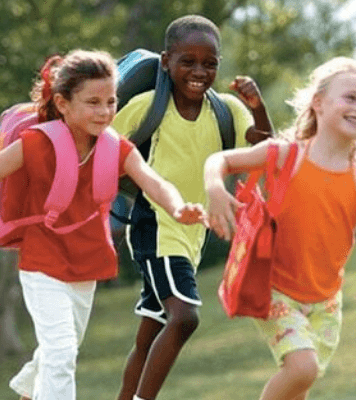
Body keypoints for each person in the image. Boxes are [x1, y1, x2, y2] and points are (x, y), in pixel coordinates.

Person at [0, 49, 207, 400]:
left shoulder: (115, 148)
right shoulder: (35, 144)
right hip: (42, 264)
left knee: (56, 351)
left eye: (110, 101)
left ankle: (30, 393)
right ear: (62, 104)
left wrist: (179, 207)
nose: (105, 112)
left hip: (87, 265)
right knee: (61, 354)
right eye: (93, 102)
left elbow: (155, 182)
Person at [204, 56, 356, 400]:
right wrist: (215, 189)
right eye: (350, 98)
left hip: (326, 302)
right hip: (276, 291)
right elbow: (222, 161)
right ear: (317, 103)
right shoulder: (284, 154)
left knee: (299, 384)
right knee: (302, 369)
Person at [112, 15, 274, 400]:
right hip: (155, 222)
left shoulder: (227, 110)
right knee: (184, 317)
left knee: (149, 335)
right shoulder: (147, 106)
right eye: (188, 61)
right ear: (166, 61)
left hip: (192, 235)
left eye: (210, 62)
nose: (199, 71)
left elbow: (261, 150)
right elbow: (103, 151)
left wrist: (258, 107)